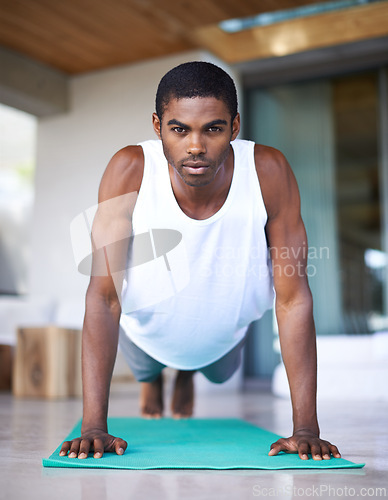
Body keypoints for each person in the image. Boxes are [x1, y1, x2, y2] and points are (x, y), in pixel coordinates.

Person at [60, 61, 341, 462]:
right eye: (179, 129)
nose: (196, 146)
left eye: (213, 128)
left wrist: (306, 429)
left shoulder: (268, 170)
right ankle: (155, 378)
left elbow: (294, 299)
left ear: (235, 126)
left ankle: (186, 373)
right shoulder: (130, 169)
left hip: (222, 339)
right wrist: (93, 426)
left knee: (218, 370)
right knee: (147, 367)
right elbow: (103, 297)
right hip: (147, 335)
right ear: (157, 126)